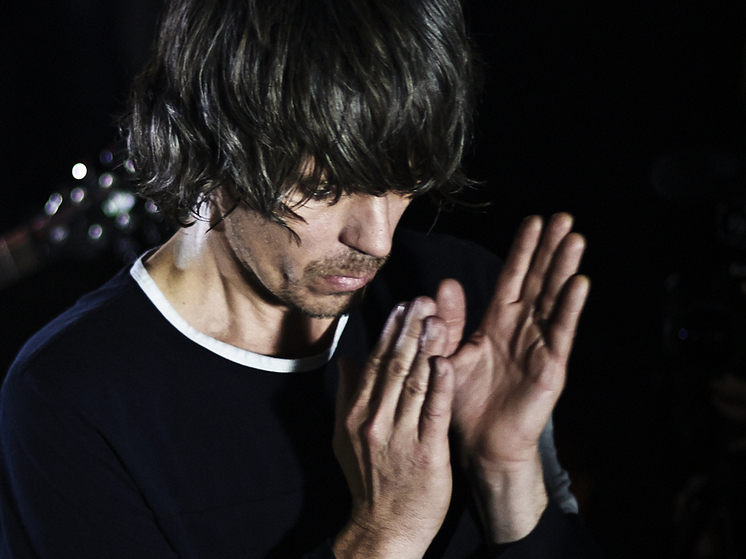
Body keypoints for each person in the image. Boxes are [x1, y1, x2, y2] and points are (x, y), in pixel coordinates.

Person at [0, 0, 599, 557]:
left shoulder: (456, 291)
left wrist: (507, 471)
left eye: (405, 184)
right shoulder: (70, 396)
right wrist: (384, 534)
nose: (377, 240)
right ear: (208, 144)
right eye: (322, 189)